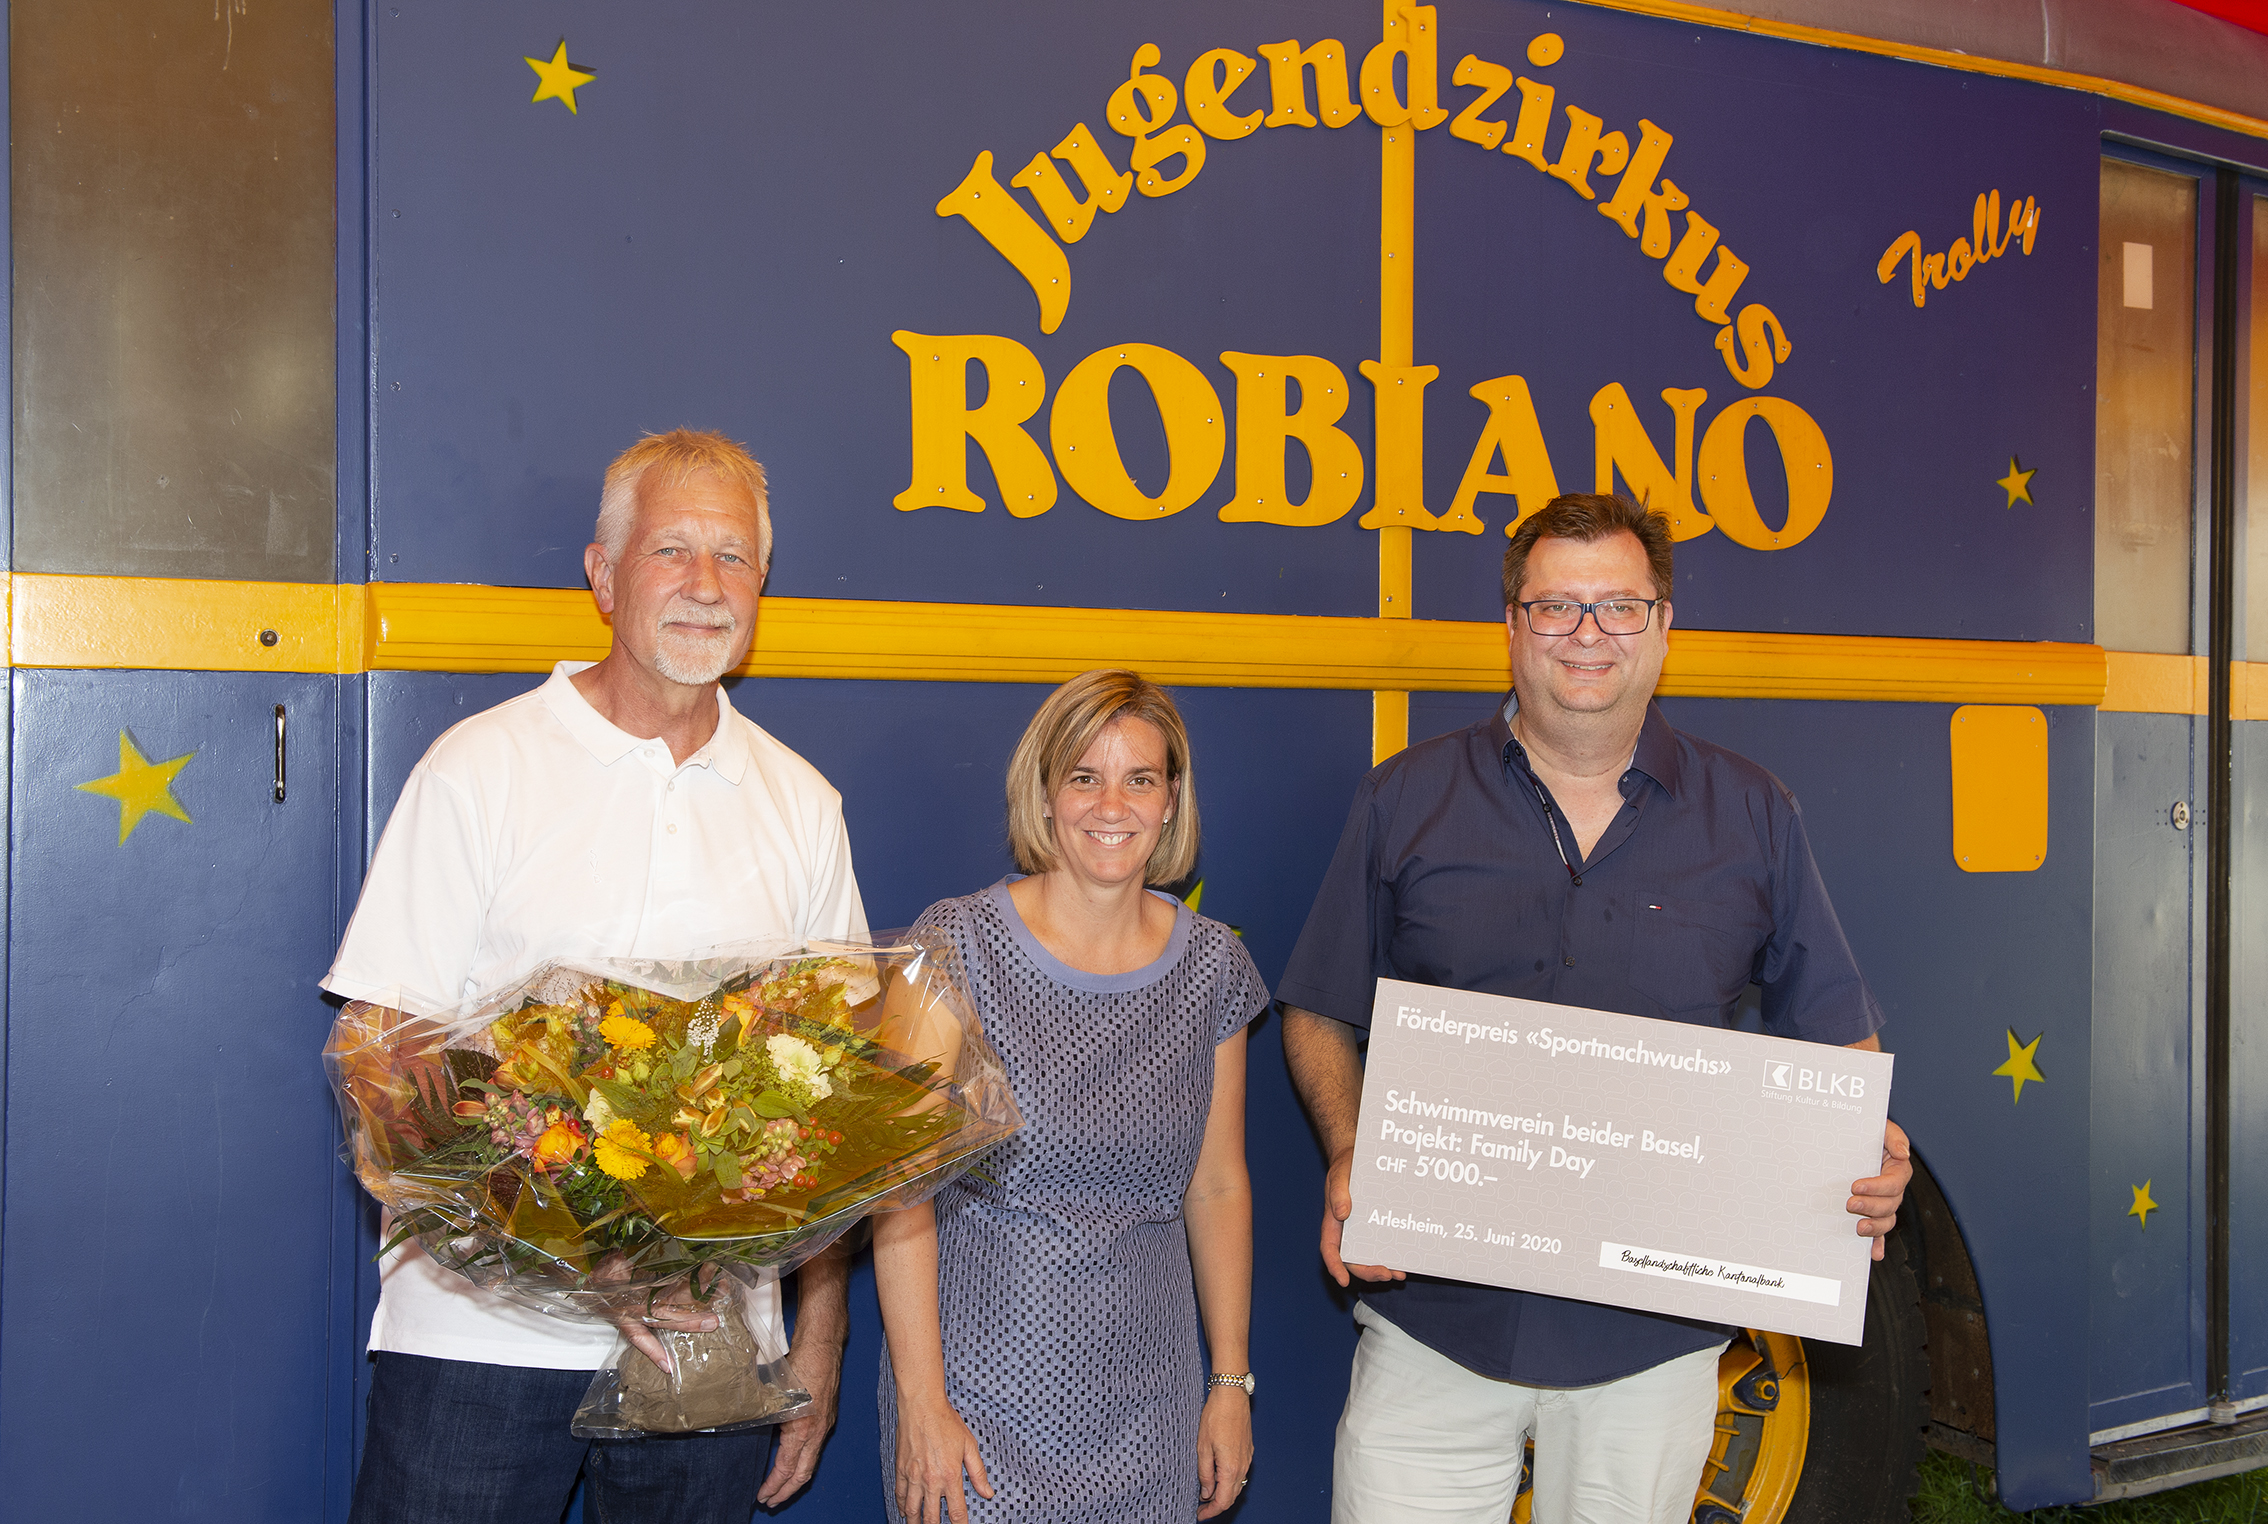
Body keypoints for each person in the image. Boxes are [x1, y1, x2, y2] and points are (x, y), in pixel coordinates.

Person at [1277, 492, 1914, 1524]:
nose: (1587, 634)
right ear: (1512, 624)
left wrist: (1866, 1159)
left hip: (1649, 1343)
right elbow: (1317, 1005)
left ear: (1662, 626)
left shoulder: (1754, 813)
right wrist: (1352, 1150)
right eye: (1555, 607)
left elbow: (1837, 1033)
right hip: (1434, 1319)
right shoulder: (1404, 799)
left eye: (1619, 606)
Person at [324, 428, 865, 1523]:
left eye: (734, 556)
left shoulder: (802, 803)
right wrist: (578, 1256)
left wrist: (816, 1334)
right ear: (603, 575)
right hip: (479, 1338)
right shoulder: (480, 769)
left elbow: (838, 1106)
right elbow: (384, 1053)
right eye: (673, 550)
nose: (706, 584)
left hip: (712, 1345)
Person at [872, 670, 1266, 1524]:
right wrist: (922, 1402)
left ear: (1171, 801)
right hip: (976, 1409)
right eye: (1085, 777)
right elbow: (899, 1195)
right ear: (1045, 794)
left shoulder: (1214, 967)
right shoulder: (953, 944)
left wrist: (1230, 1382)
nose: (1111, 806)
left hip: (1150, 1412)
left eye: (1140, 779)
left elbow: (1217, 1187)